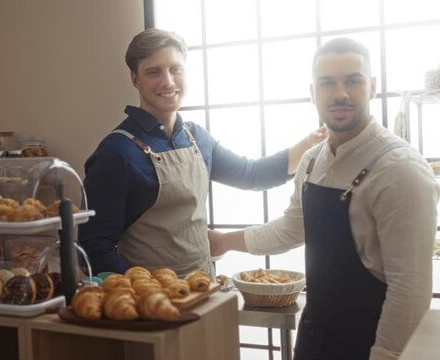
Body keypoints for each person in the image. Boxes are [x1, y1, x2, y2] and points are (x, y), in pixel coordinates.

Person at [209, 38, 440, 360]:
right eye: (327, 82)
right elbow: (291, 229)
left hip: (369, 345)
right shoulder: (313, 160)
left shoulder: (401, 171)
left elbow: (410, 290)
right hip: (314, 338)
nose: (340, 93)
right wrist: (223, 242)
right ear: (312, 92)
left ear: (372, 87)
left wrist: (385, 355)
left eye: (353, 81)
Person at [79, 28, 327, 278]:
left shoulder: (196, 138)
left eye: (175, 69)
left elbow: (252, 175)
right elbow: (94, 249)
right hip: (152, 307)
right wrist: (150, 290)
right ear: (135, 79)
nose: (168, 81)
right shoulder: (117, 153)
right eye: (154, 72)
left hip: (204, 291)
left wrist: (309, 144)